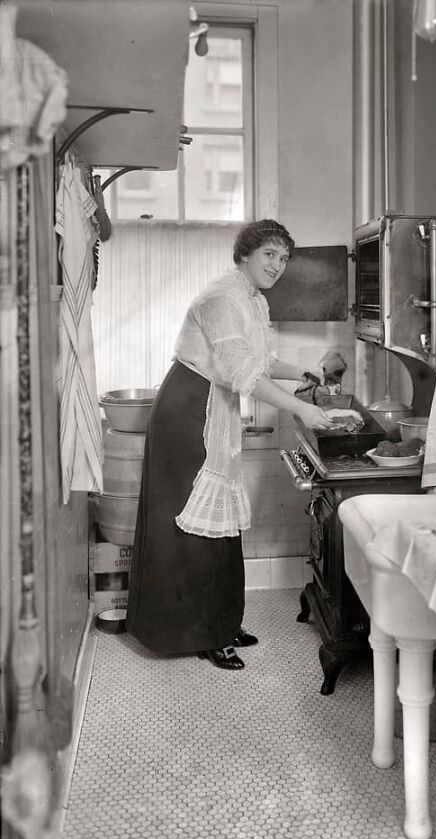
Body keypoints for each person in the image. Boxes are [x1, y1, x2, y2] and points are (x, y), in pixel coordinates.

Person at [126, 219, 333, 670]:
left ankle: (221, 621)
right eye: (269, 255)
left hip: (210, 404)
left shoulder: (251, 299)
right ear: (244, 254)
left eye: (283, 258)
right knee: (193, 523)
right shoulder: (223, 297)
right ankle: (199, 632)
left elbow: (258, 359)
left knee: (220, 524)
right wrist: (301, 410)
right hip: (189, 411)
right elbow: (243, 375)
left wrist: (303, 373)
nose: (277, 266)